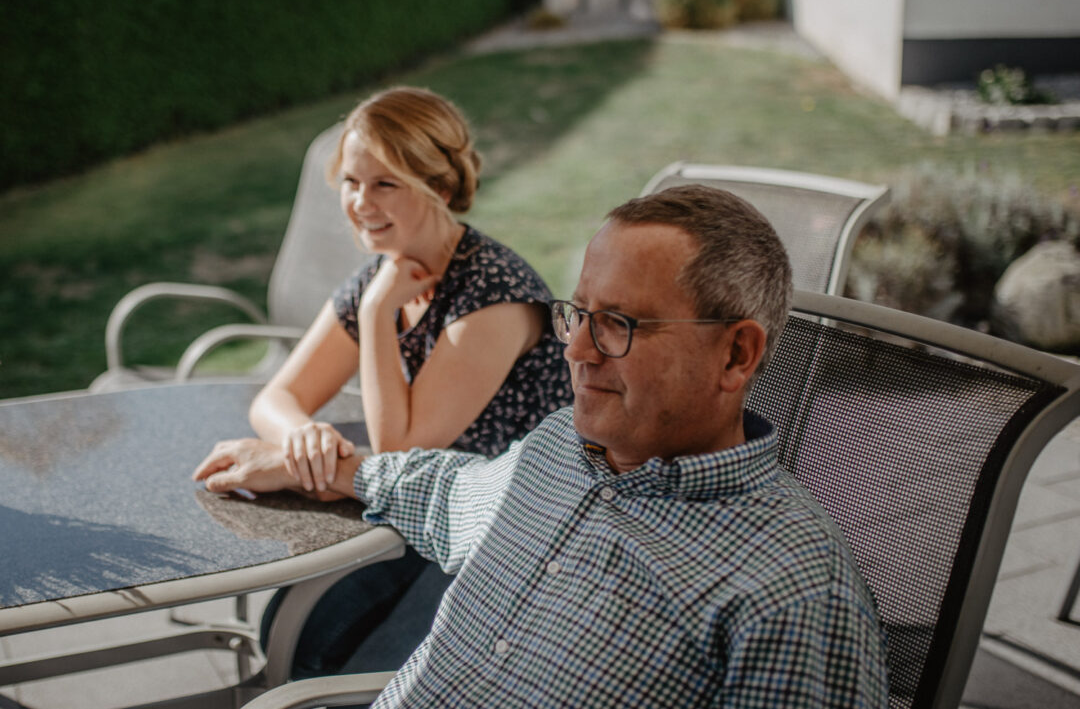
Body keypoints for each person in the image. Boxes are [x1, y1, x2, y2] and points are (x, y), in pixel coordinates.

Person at [195, 184, 890, 707]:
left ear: (736, 354)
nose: (577, 349)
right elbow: (448, 493)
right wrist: (323, 464)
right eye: (579, 312)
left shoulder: (792, 594)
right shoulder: (561, 446)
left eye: (618, 322)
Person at [200, 86, 571, 678]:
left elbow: (404, 450)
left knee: (342, 667)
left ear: (441, 189)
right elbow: (279, 395)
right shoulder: (386, 273)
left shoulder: (492, 294)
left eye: (385, 184)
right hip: (413, 510)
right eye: (351, 182)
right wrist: (304, 439)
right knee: (292, 632)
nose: (360, 203)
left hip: (503, 537)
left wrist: (376, 315)